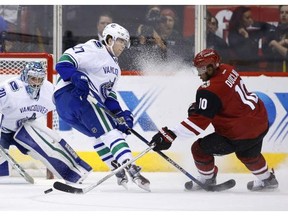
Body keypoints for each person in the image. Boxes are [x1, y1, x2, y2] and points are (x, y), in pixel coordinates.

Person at [150, 48, 279, 191]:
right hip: (259, 121)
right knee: (248, 153)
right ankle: (268, 180)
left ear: (211, 67)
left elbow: (198, 123)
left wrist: (170, 134)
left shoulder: (209, 90)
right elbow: (228, 99)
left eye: (201, 69)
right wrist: (202, 107)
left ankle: (207, 179)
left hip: (238, 133)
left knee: (199, 149)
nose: (199, 74)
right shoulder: (228, 69)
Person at [53, 23, 150, 191]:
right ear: (109, 39)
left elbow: (108, 95)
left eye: (125, 43)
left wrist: (119, 114)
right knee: (110, 131)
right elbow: (63, 63)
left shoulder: (116, 69)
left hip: (68, 109)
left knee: (97, 135)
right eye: (120, 41)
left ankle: (116, 168)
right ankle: (130, 167)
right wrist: (76, 77)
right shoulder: (95, 48)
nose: (123, 46)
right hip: (73, 95)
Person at [0, 61, 92, 183]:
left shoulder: (49, 90)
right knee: (2, 173)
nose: (37, 83)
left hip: (26, 130)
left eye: (40, 79)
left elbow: (64, 105)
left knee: (47, 151)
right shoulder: (9, 90)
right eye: (33, 78)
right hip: (3, 131)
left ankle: (73, 174)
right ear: (25, 76)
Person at [263, 5, 288, 72]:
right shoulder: (273, 31)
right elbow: (267, 52)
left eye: (287, 12)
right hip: (273, 70)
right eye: (282, 12)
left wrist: (275, 44)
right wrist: (283, 42)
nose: (284, 15)